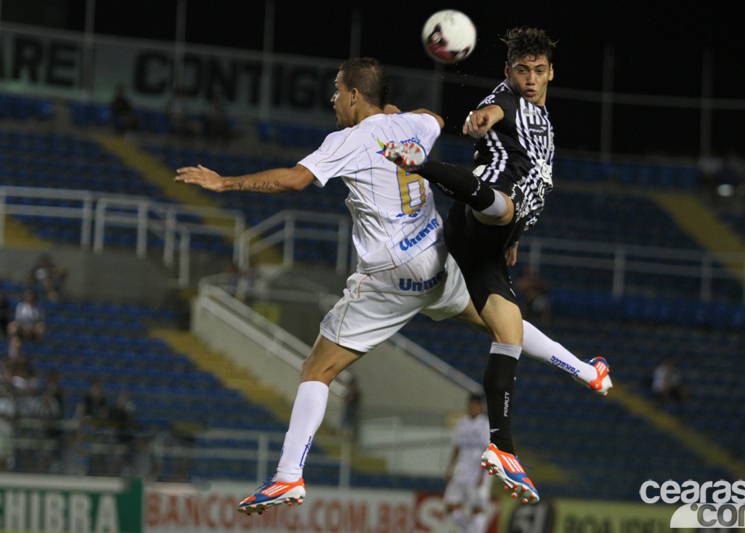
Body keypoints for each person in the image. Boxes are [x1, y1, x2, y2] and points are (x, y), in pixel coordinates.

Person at [176, 57, 610, 514]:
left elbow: (294, 180)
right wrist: (392, 116)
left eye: (337, 91)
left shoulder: (345, 140)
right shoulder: (413, 125)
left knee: (316, 370)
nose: (332, 100)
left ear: (353, 96)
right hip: (437, 256)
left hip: (391, 273)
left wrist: (225, 183)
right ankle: (587, 371)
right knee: (497, 320)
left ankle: (287, 477)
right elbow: (436, 119)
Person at [384, 27, 611, 504]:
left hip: (488, 243)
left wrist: (514, 239)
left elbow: (534, 183)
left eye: (538, 70)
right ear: (509, 73)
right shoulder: (506, 99)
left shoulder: (542, 119)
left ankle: (502, 448)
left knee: (509, 332)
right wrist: (479, 119)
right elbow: (489, 112)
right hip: (477, 214)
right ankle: (417, 162)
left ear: (551, 72)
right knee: (501, 205)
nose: (530, 78)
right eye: (522, 70)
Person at [444, 394, 491, 533]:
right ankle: (470, 529)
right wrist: (450, 467)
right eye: (471, 404)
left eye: (476, 404)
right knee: (450, 506)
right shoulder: (461, 423)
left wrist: (484, 473)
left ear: (481, 407)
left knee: (477, 508)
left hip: (479, 470)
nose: (473, 407)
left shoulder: (486, 424)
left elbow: (489, 449)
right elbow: (457, 446)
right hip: (462, 470)